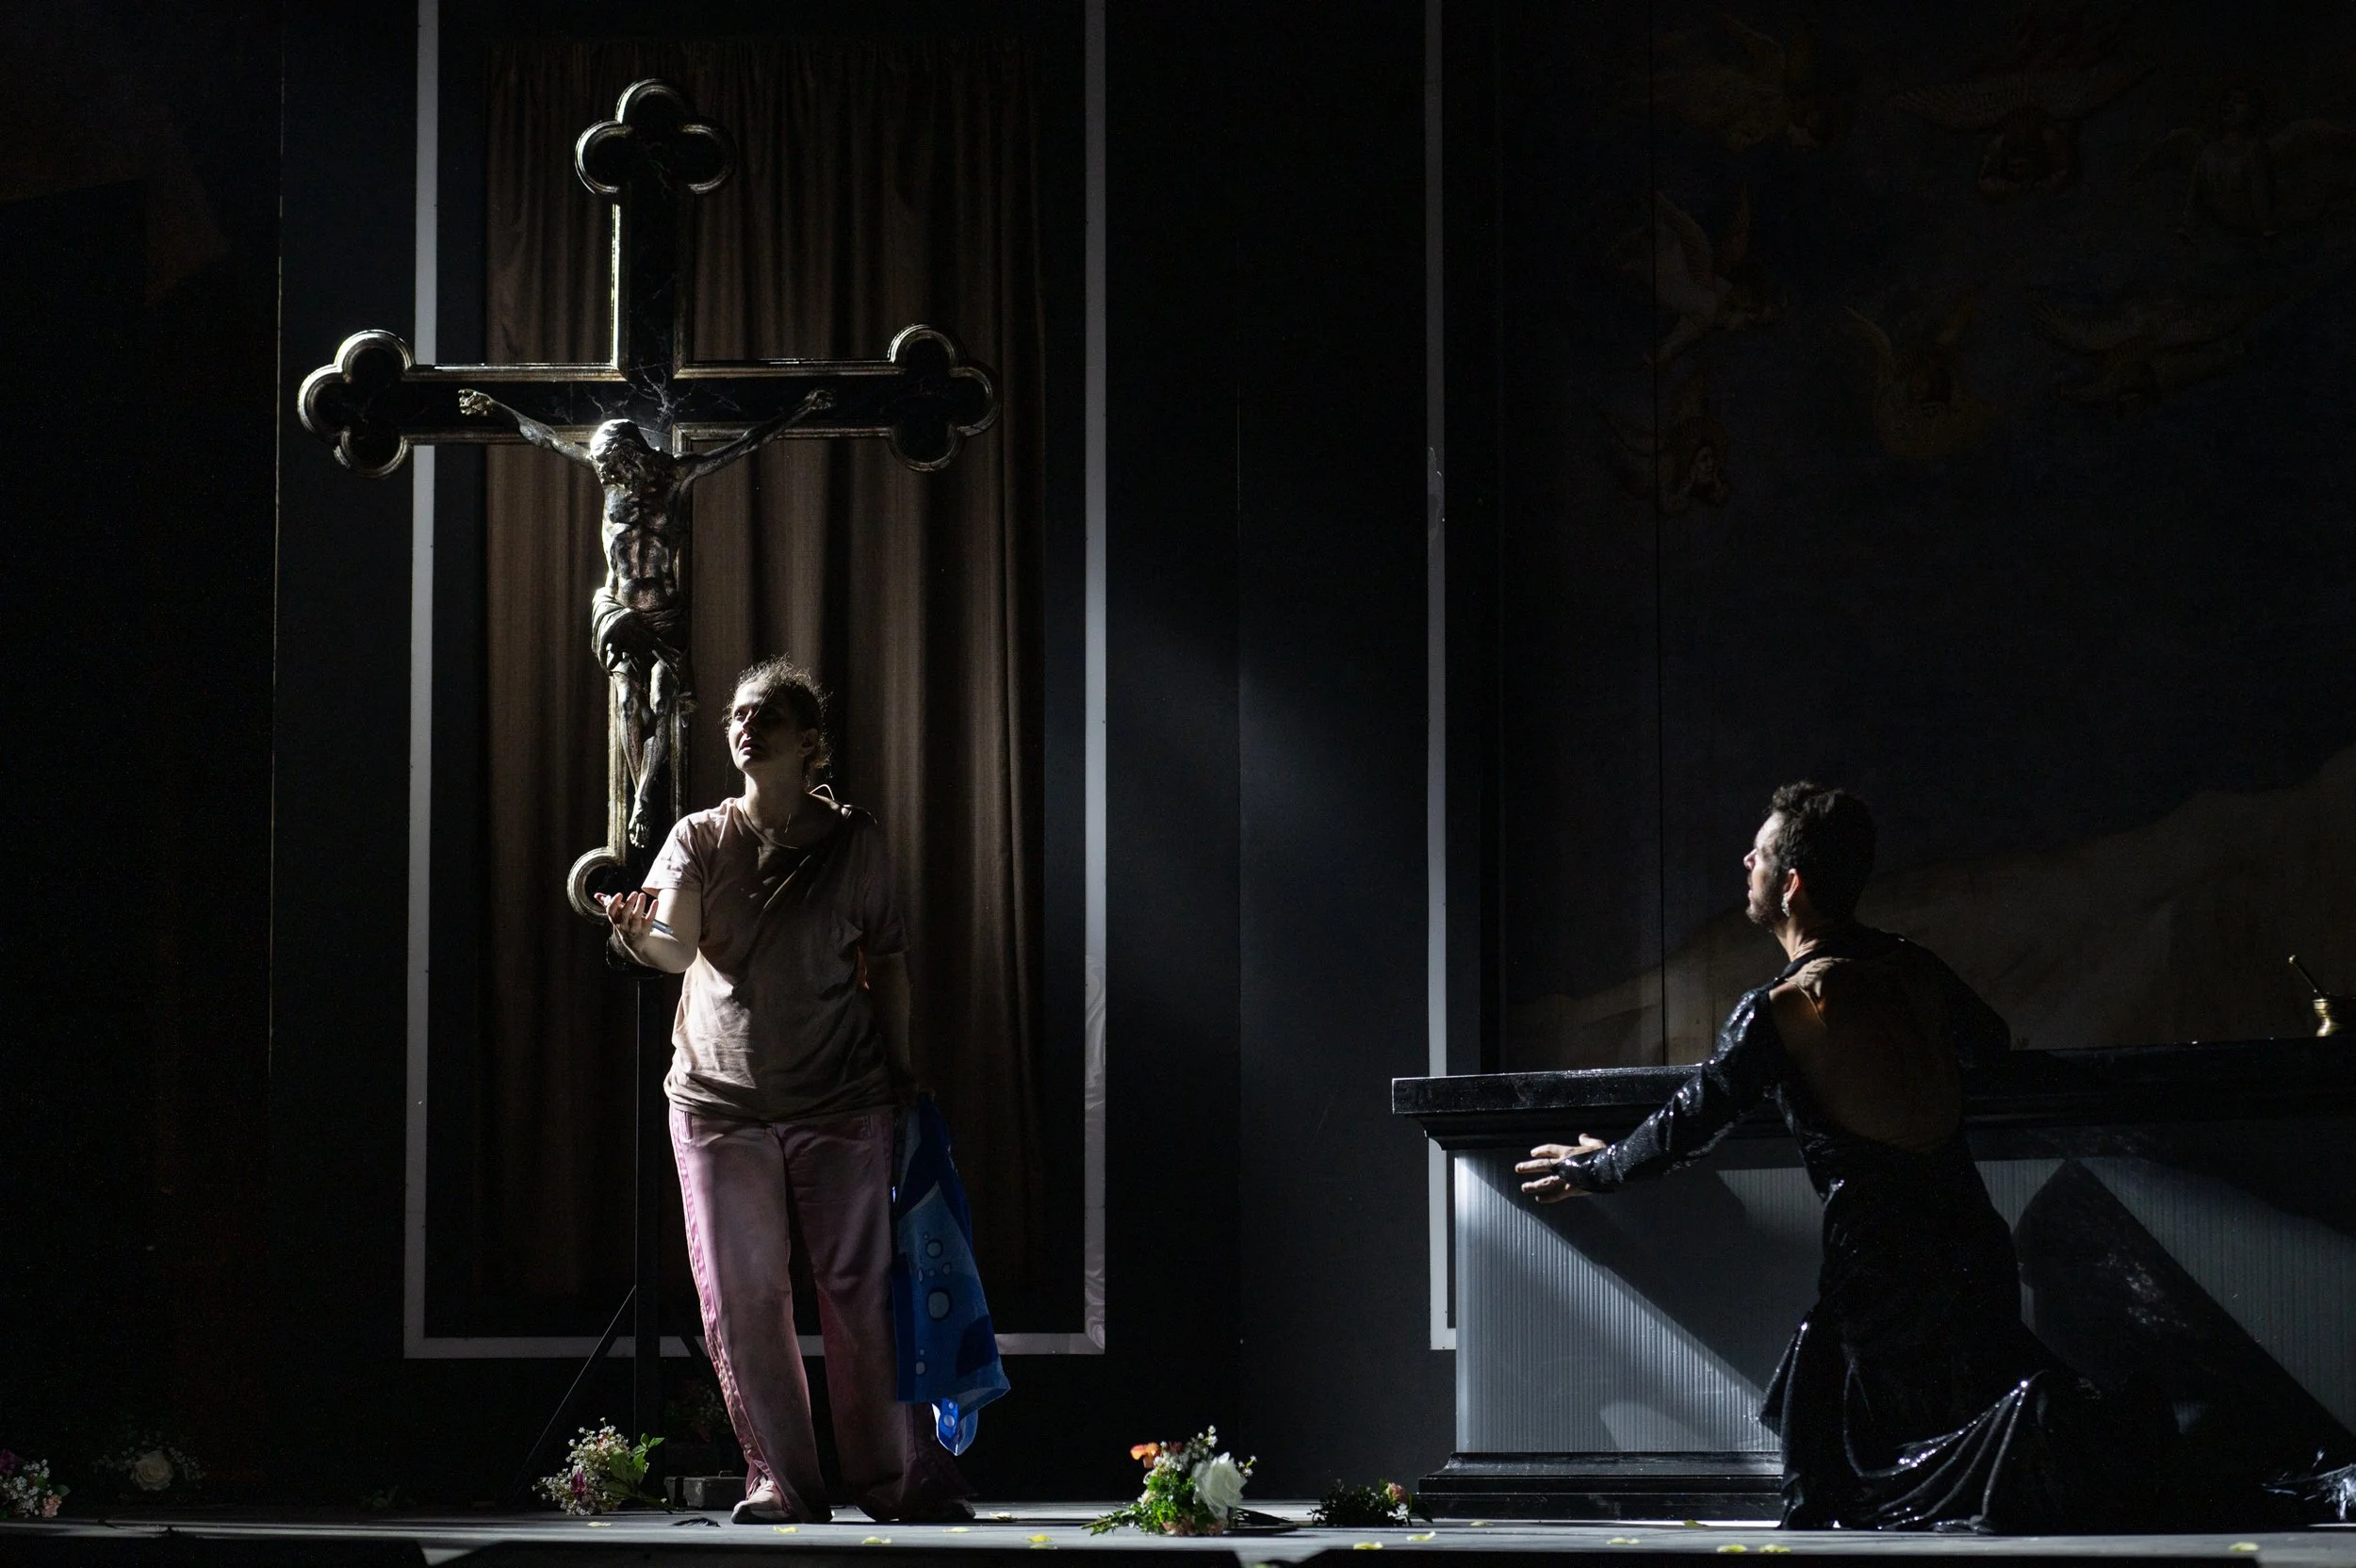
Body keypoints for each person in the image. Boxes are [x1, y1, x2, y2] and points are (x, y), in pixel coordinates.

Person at [1516, 783, 2172, 1532]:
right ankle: (2049, 1432)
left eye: (1758, 855)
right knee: (1908, 1425)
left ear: (1789, 885)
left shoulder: (1785, 1006)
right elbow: (1987, 1044)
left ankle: (2040, 1425)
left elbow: (1689, 1122)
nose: (1746, 862)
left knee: (1847, 1477)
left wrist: (1591, 1169)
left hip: (1882, 1260)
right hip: (1969, 1239)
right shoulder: (1912, 967)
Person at [602, 656, 971, 1525]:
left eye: (766, 714)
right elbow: (675, 946)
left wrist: (903, 1067)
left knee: (860, 1293)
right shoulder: (699, 836)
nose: (744, 725)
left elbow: (888, 962)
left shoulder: (857, 843)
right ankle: (784, 1483)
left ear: (811, 743)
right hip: (717, 1104)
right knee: (741, 1297)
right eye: (737, 713)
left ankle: (891, 1483)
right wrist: (633, 936)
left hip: (842, 1100)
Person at [459, 387, 830, 848]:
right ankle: (643, 796)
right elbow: (546, 438)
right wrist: (496, 408)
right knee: (626, 704)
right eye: (606, 466)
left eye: (616, 464)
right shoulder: (606, 473)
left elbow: (746, 444)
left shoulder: (675, 474)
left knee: (662, 701)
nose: (611, 473)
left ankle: (645, 794)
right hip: (618, 608)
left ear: (633, 453)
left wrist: (799, 408)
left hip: (664, 614)